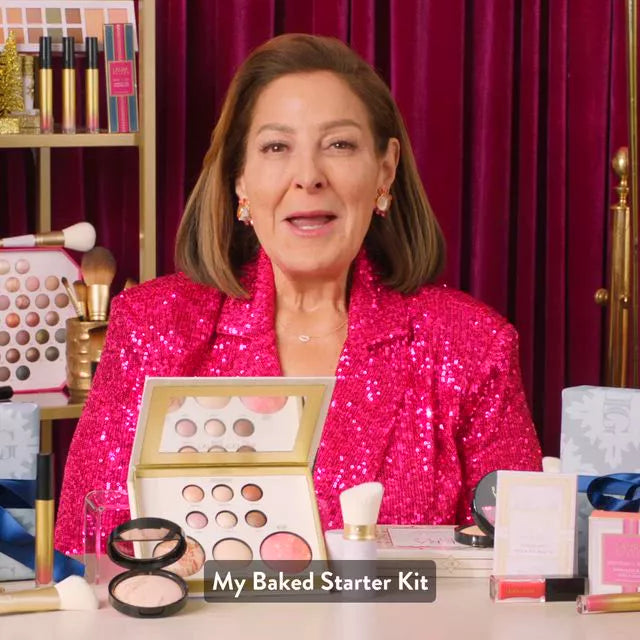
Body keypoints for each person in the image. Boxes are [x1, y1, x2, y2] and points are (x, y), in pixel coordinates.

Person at [55, 33, 542, 555]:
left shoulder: (472, 343)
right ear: (240, 178)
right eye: (276, 147)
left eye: (339, 145)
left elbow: (527, 560)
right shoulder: (153, 327)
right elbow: (83, 553)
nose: (308, 177)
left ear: (385, 169)